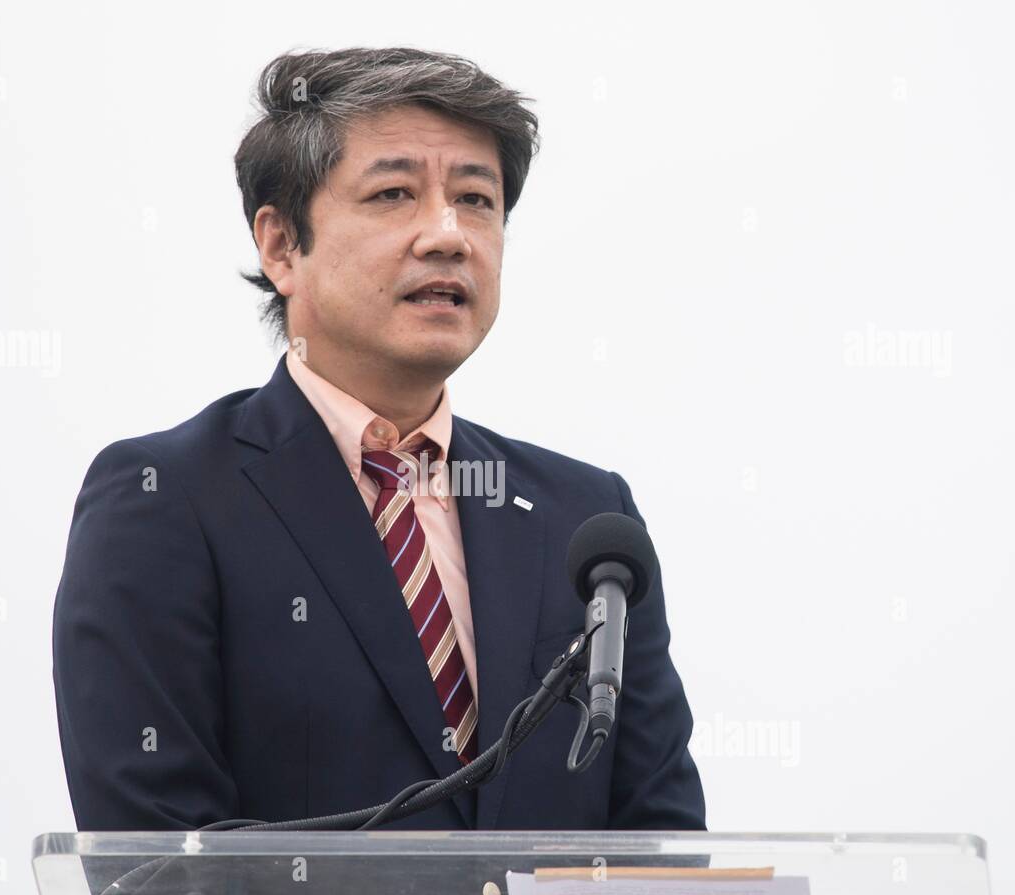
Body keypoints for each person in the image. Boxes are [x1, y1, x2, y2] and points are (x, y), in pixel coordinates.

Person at [52, 46, 706, 834]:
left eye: (477, 199)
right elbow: (158, 857)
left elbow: (659, 847)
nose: (448, 234)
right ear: (281, 246)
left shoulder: (588, 522)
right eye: (394, 194)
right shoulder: (168, 498)